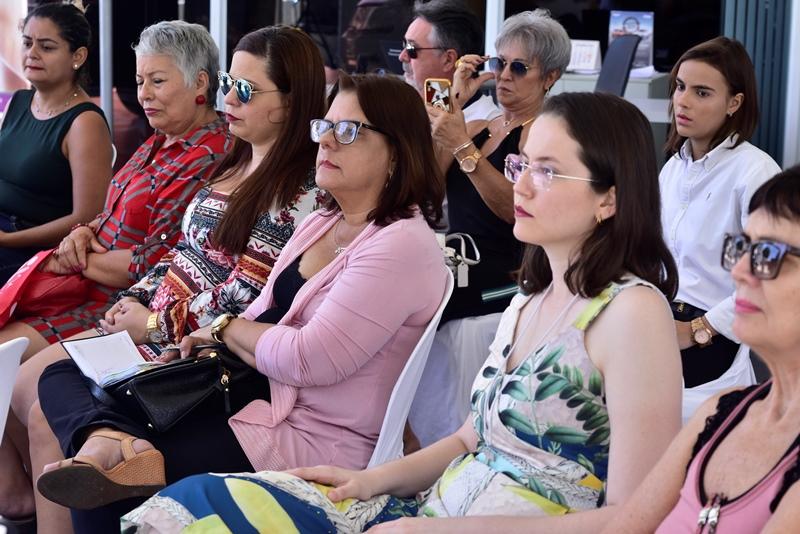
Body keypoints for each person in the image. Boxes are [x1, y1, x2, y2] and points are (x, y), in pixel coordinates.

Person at [121, 92, 683, 533]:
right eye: (522, 164)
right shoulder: (530, 299)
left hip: (466, 523)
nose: (521, 186)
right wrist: (368, 482)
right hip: (435, 511)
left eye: (548, 171)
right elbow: (468, 441)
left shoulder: (632, 312)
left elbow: (634, 517)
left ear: (609, 198)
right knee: (192, 504)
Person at [32, 72, 448, 534]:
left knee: (113, 477)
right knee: (63, 375)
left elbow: (307, 359)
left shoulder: (400, 245)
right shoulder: (326, 222)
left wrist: (223, 328)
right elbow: (261, 311)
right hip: (248, 393)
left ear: (397, 152)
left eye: (348, 130)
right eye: (324, 126)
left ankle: (112, 449)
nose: (327, 141)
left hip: (307, 437)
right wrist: (204, 338)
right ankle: (107, 439)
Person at [0, 25, 324, 533]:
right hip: (148, 320)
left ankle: (97, 466)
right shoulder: (237, 160)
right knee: (41, 383)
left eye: (244, 89)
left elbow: (247, 296)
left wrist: (152, 323)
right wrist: (135, 299)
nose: (227, 99)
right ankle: (84, 472)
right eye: (228, 84)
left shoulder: (296, 192)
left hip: (194, 350)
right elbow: (179, 253)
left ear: (290, 102)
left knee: (44, 402)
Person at [0, 20, 231, 364]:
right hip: (78, 290)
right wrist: (83, 232)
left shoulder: (209, 154)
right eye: (139, 81)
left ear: (200, 82)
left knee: (7, 360)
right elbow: (109, 213)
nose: (143, 94)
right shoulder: (161, 139)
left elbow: (154, 261)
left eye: (157, 81)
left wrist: (73, 258)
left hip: (120, 308)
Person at [604, 167, 800, 533]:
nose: (739, 271)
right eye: (742, 248)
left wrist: (700, 329)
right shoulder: (722, 412)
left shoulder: (750, 167)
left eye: (768, 254)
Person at [409, 9, 572, 448]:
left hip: (503, 278)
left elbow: (518, 211)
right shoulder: (481, 125)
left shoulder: (543, 134)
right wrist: (452, 107)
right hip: (460, 267)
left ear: (550, 77)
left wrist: (465, 149)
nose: (503, 76)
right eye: (499, 63)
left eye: (519, 68)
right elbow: (425, 190)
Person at [659, 37, 781, 395]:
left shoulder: (755, 173)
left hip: (713, 331)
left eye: (702, 93)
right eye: (680, 87)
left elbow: (769, 276)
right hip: (661, 317)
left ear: (734, 103)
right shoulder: (673, 168)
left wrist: (699, 330)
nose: (682, 101)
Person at [0, 2, 112, 285]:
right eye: (27, 43)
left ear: (78, 56)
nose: (32, 53)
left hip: (32, 248)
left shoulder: (85, 122)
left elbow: (86, 216)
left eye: (47, 47)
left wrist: (8, 239)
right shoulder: (19, 101)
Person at [400, 0, 499, 122]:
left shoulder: (488, 124)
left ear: (448, 60)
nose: (402, 56)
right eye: (404, 44)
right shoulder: (413, 107)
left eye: (411, 48)